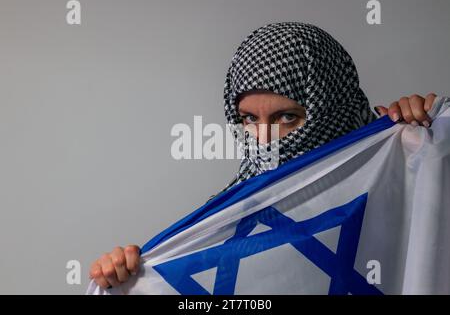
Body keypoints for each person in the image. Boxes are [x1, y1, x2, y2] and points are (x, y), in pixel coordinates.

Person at [89, 22, 437, 289]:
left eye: (287, 117)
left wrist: (430, 138)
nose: (265, 138)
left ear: (333, 109)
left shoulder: (403, 166)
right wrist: (137, 276)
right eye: (250, 119)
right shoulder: (230, 217)